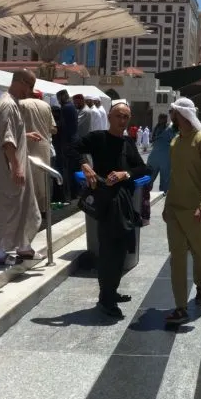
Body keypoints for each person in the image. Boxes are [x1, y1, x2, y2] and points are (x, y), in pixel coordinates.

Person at [73, 101, 148, 318]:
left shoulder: (127, 142)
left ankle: (111, 291)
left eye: (126, 117)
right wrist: (84, 165)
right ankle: (105, 299)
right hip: (106, 201)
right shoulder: (97, 138)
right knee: (109, 249)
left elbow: (143, 166)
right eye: (118, 116)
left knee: (122, 247)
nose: (122, 121)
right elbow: (72, 147)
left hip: (123, 201)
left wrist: (126, 174)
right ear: (109, 116)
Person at [163, 98, 201, 326]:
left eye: (173, 113)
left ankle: (200, 284)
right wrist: (167, 206)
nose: (171, 117)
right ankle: (180, 307)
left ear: (181, 115)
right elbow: (174, 178)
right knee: (177, 259)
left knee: (200, 256)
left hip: (197, 212)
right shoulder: (175, 142)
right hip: (176, 211)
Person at [0, 71, 41, 265]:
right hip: (7, 169)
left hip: (14, 165)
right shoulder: (8, 104)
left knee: (25, 207)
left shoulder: (11, 101)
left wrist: (25, 135)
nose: (31, 92)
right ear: (20, 82)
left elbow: (11, 132)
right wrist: (16, 167)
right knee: (6, 210)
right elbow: (7, 141)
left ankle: (24, 247)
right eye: (30, 86)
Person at [18, 91, 56, 214]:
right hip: (43, 146)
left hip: (27, 144)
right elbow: (54, 129)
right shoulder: (46, 106)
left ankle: (30, 209)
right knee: (43, 178)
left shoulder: (21, 103)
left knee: (28, 178)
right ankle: (44, 208)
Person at [54, 90, 79, 201]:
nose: (59, 101)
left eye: (59, 98)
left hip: (67, 142)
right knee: (71, 169)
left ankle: (68, 195)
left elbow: (62, 126)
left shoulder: (66, 108)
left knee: (67, 170)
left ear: (63, 97)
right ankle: (74, 193)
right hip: (72, 141)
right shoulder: (71, 106)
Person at [147, 113, 175, 192]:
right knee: (152, 178)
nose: (161, 120)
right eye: (161, 118)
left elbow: (174, 141)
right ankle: (147, 195)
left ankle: (160, 197)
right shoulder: (162, 128)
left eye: (162, 118)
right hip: (160, 157)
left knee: (160, 179)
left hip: (159, 157)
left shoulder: (165, 128)